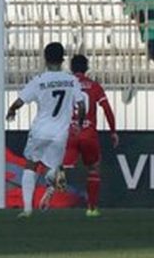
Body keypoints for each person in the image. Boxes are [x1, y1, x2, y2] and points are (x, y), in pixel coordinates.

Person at [5, 42, 85, 218]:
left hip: (40, 131)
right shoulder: (71, 80)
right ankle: (51, 183)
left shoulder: (39, 80)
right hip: (60, 134)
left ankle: (27, 209)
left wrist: (11, 110)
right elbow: (81, 104)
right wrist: (79, 124)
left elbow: (20, 101)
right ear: (63, 59)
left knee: (31, 165)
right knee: (53, 167)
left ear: (45, 59)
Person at [48, 54, 118, 217]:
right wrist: (113, 131)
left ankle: (60, 173)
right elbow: (107, 109)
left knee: (62, 164)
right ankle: (91, 209)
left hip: (70, 133)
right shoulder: (94, 86)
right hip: (88, 134)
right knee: (93, 169)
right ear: (86, 68)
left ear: (71, 69)